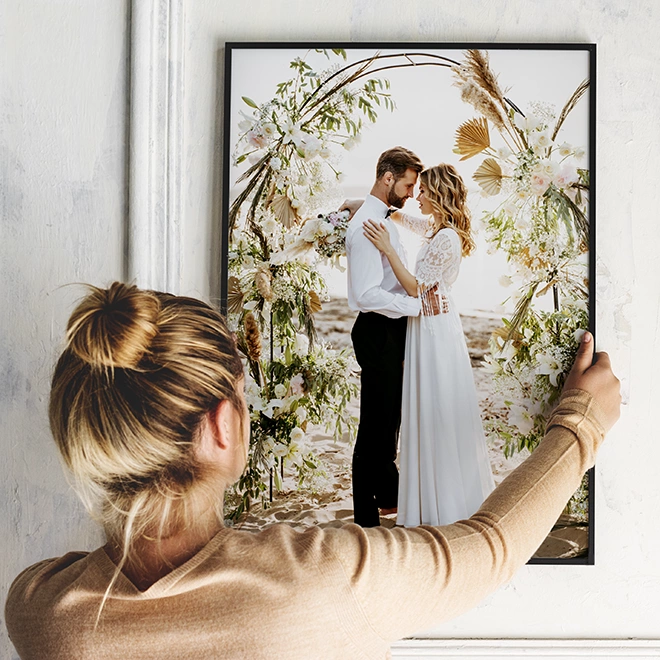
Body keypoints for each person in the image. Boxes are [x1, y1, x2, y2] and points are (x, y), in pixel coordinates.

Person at [5, 282, 620, 659]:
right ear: (221, 428)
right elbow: (490, 547)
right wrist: (580, 422)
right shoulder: (322, 584)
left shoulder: (39, 610)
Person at [361, 163, 495, 527]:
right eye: (415, 189)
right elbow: (402, 218)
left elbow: (415, 287)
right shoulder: (436, 228)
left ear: (437, 195)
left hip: (435, 331)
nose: (416, 196)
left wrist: (388, 250)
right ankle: (426, 501)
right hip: (424, 328)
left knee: (436, 412)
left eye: (422, 191)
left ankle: (445, 505)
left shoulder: (448, 238)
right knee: (425, 410)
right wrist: (360, 206)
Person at [344, 146, 433, 528]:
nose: (412, 194)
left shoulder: (379, 217)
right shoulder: (367, 226)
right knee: (375, 427)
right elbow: (365, 293)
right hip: (378, 330)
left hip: (389, 328)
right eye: (409, 185)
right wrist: (417, 308)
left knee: (387, 423)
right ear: (387, 177)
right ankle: (366, 514)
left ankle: (386, 498)